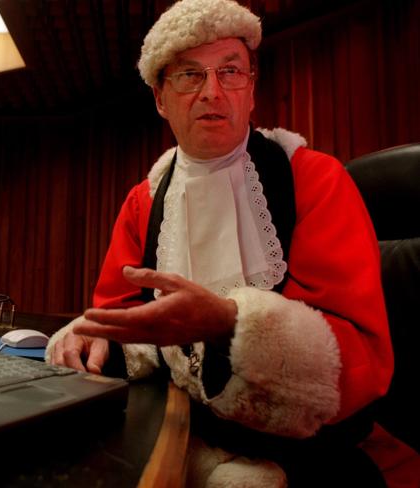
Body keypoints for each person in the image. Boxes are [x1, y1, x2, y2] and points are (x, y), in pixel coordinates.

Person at [46, 0, 419, 485]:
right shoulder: (142, 202)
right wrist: (90, 335)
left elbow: (358, 364)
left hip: (310, 448)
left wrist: (229, 325)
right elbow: (116, 315)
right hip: (185, 433)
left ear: (252, 90)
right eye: (189, 75)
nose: (212, 92)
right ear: (161, 98)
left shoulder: (315, 178)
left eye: (230, 72)